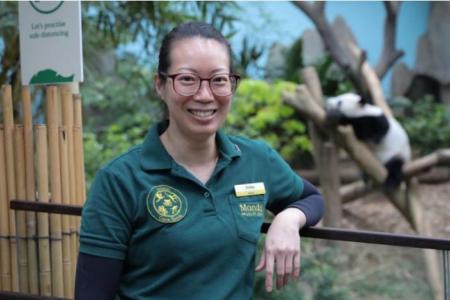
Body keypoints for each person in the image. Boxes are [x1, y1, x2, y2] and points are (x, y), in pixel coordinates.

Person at [75, 21, 324, 300]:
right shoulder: (120, 179)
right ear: (160, 85)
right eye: (187, 79)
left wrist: (289, 219)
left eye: (218, 80)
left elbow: (312, 199)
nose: (205, 95)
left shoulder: (256, 160)